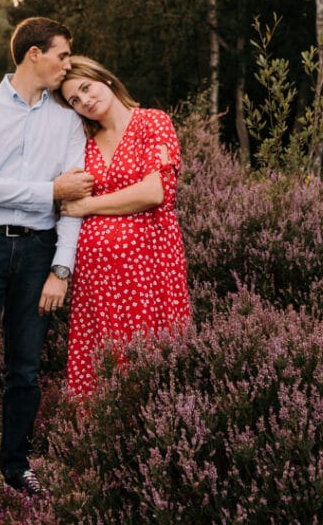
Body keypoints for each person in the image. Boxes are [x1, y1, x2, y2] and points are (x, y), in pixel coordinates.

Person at [0, 17, 92, 505]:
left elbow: (73, 204)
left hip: (38, 252)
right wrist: (50, 191)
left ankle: (16, 467)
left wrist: (61, 267)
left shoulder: (69, 121)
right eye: (61, 55)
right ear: (34, 53)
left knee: (26, 369)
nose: (66, 65)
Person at [55, 56, 191, 400]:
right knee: (100, 363)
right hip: (96, 279)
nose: (84, 100)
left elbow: (154, 192)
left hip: (148, 269)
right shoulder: (83, 144)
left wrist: (88, 206)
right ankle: (101, 445)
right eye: (74, 99)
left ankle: (155, 442)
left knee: (150, 357)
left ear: (107, 79)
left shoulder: (152, 123)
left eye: (86, 88)